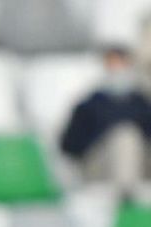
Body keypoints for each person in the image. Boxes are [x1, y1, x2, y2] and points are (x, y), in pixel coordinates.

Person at [60, 46, 151, 197]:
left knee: (129, 137)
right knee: (124, 137)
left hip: (140, 165)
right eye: (112, 64)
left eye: (121, 64)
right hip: (99, 166)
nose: (117, 70)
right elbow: (69, 145)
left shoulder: (141, 103)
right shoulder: (90, 104)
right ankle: (125, 195)